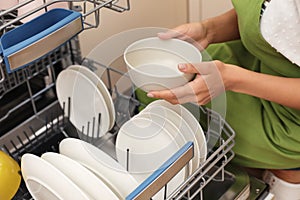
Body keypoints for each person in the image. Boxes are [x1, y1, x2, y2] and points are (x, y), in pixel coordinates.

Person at [145, 0, 300, 199]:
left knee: (176, 102)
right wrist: (208, 30)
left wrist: (231, 80)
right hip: (257, 57)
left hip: (289, 120)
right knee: (154, 87)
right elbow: (270, 11)